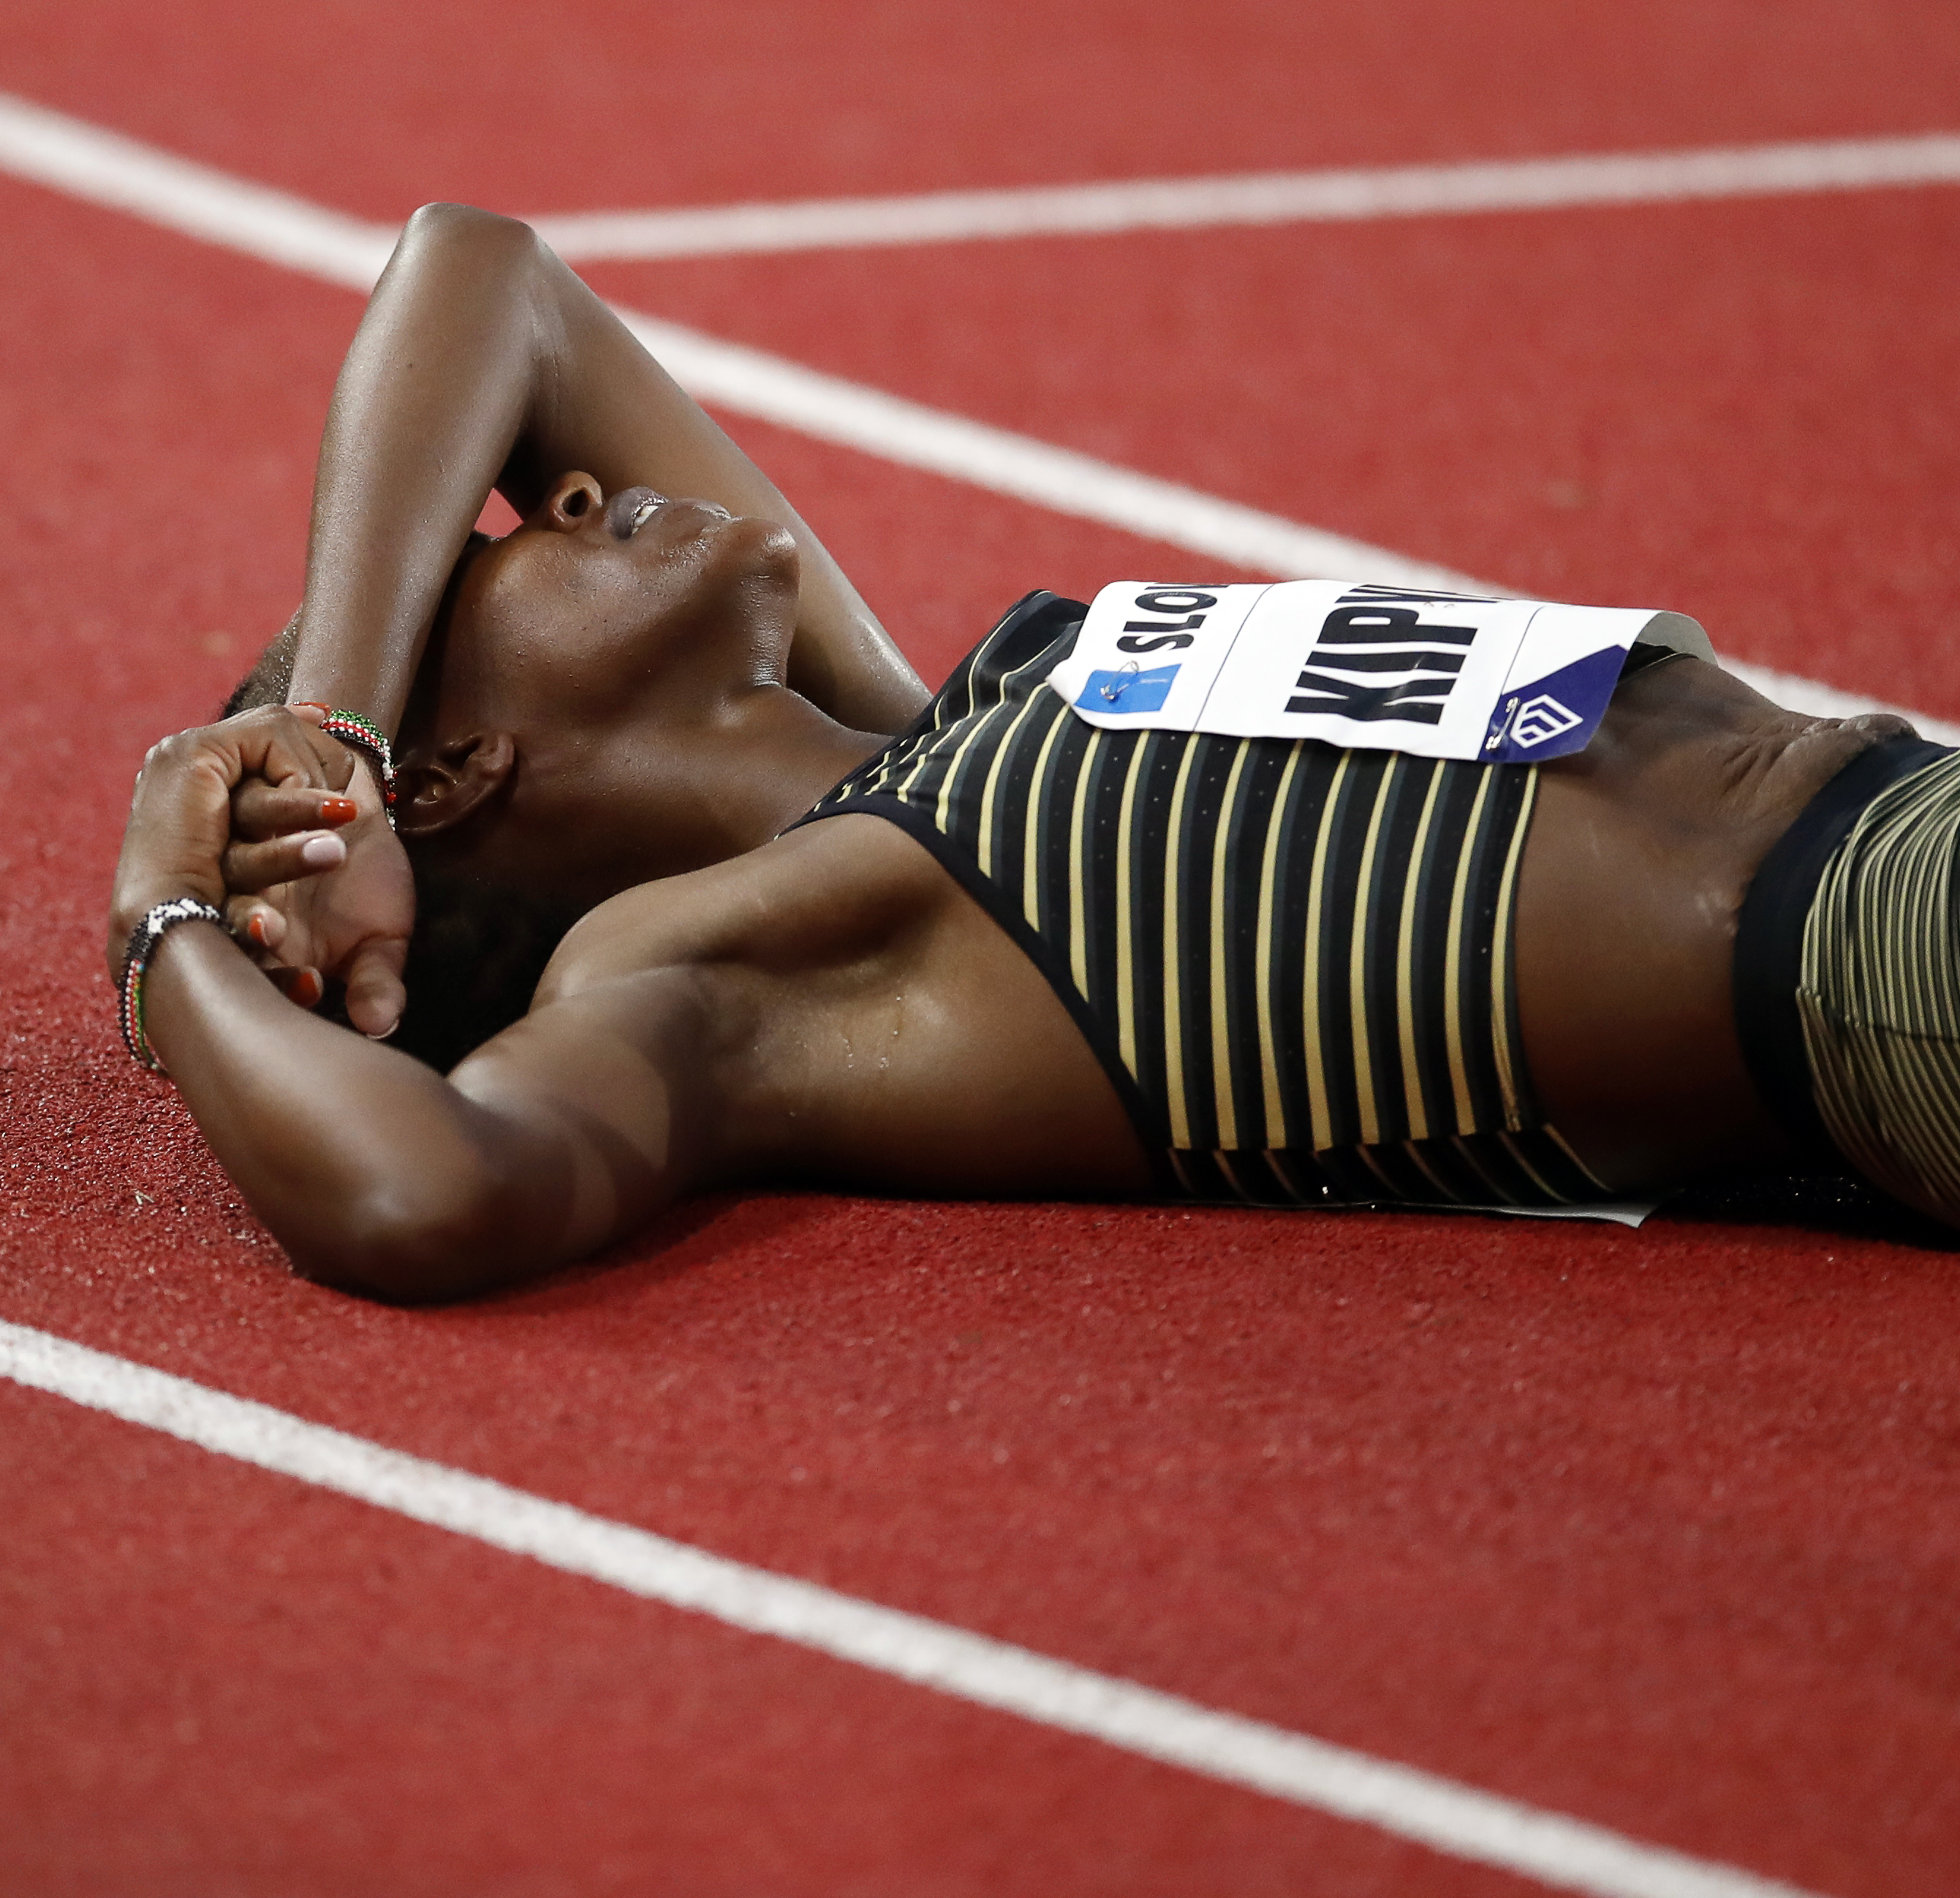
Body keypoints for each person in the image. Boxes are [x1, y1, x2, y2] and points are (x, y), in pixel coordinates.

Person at [107, 205, 1960, 1301]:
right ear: (448, 787)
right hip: (1877, 973)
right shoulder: (763, 962)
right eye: (506, 552)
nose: (566, 481)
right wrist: (171, 917)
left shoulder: (948, 719)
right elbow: (417, 1189)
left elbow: (486, 278)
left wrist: (322, 715)